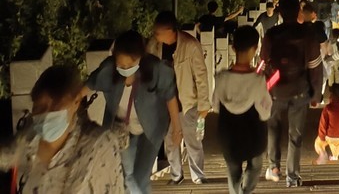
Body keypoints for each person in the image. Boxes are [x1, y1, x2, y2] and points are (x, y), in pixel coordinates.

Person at [0, 64, 125, 194]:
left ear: (76, 102)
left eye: (56, 106)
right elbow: (5, 155)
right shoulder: (29, 139)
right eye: (40, 108)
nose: (47, 114)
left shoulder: (99, 146)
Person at [84, 30, 181, 194]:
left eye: (130, 65)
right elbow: (84, 89)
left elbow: (170, 97)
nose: (125, 69)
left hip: (152, 129)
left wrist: (177, 128)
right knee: (127, 175)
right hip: (122, 130)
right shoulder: (108, 70)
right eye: (121, 66)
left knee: (140, 177)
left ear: (140, 58)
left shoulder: (155, 69)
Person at [260, 0, 323, 188]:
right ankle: (292, 177)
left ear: (280, 12)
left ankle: (273, 166)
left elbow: (262, 63)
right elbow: (315, 67)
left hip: (275, 89)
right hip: (300, 89)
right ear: (298, 12)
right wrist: (316, 94)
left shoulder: (271, 34)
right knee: (295, 135)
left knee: (273, 127)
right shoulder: (308, 34)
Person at [147, 10, 211, 186]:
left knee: (192, 141)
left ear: (170, 30)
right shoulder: (154, 46)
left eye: (158, 32)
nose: (155, 35)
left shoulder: (190, 45)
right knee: (170, 141)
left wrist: (204, 104)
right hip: (165, 103)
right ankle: (176, 175)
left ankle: (198, 174)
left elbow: (201, 75)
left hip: (187, 101)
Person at [214, 24, 272, 194]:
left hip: (229, 134)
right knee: (255, 165)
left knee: (233, 170)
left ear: (233, 47)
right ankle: (245, 190)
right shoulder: (258, 80)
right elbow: (265, 110)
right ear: (255, 48)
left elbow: (215, 104)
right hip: (254, 135)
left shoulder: (221, 78)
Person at [313, 84, 339, 164]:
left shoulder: (328, 108)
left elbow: (323, 124)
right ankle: (335, 157)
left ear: (331, 95)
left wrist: (322, 136)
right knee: (336, 149)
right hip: (338, 135)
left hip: (328, 135)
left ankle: (322, 152)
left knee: (318, 144)